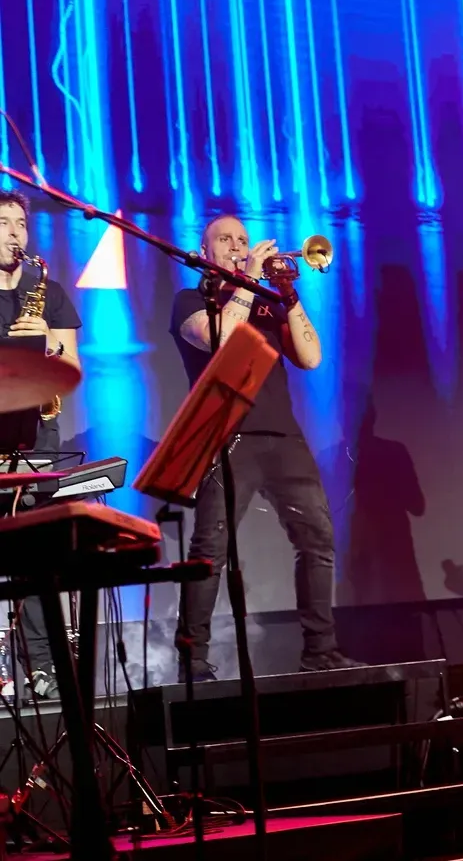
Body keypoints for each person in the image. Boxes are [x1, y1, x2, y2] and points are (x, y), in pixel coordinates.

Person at [171, 215, 360, 682]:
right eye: (225, 239)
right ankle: (193, 662)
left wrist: (288, 296)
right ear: (205, 249)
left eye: (242, 238)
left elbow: (312, 358)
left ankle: (321, 651)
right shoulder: (193, 300)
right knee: (209, 551)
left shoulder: (268, 300)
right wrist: (250, 280)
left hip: (283, 435)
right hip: (227, 436)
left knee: (317, 543)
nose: (237, 244)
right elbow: (221, 340)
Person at [0, 190, 81, 698]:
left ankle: (44, 663)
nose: (14, 233)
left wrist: (46, 346)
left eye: (20, 224)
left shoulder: (47, 292)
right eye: (3, 222)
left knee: (38, 553)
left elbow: (72, 372)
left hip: (37, 435)